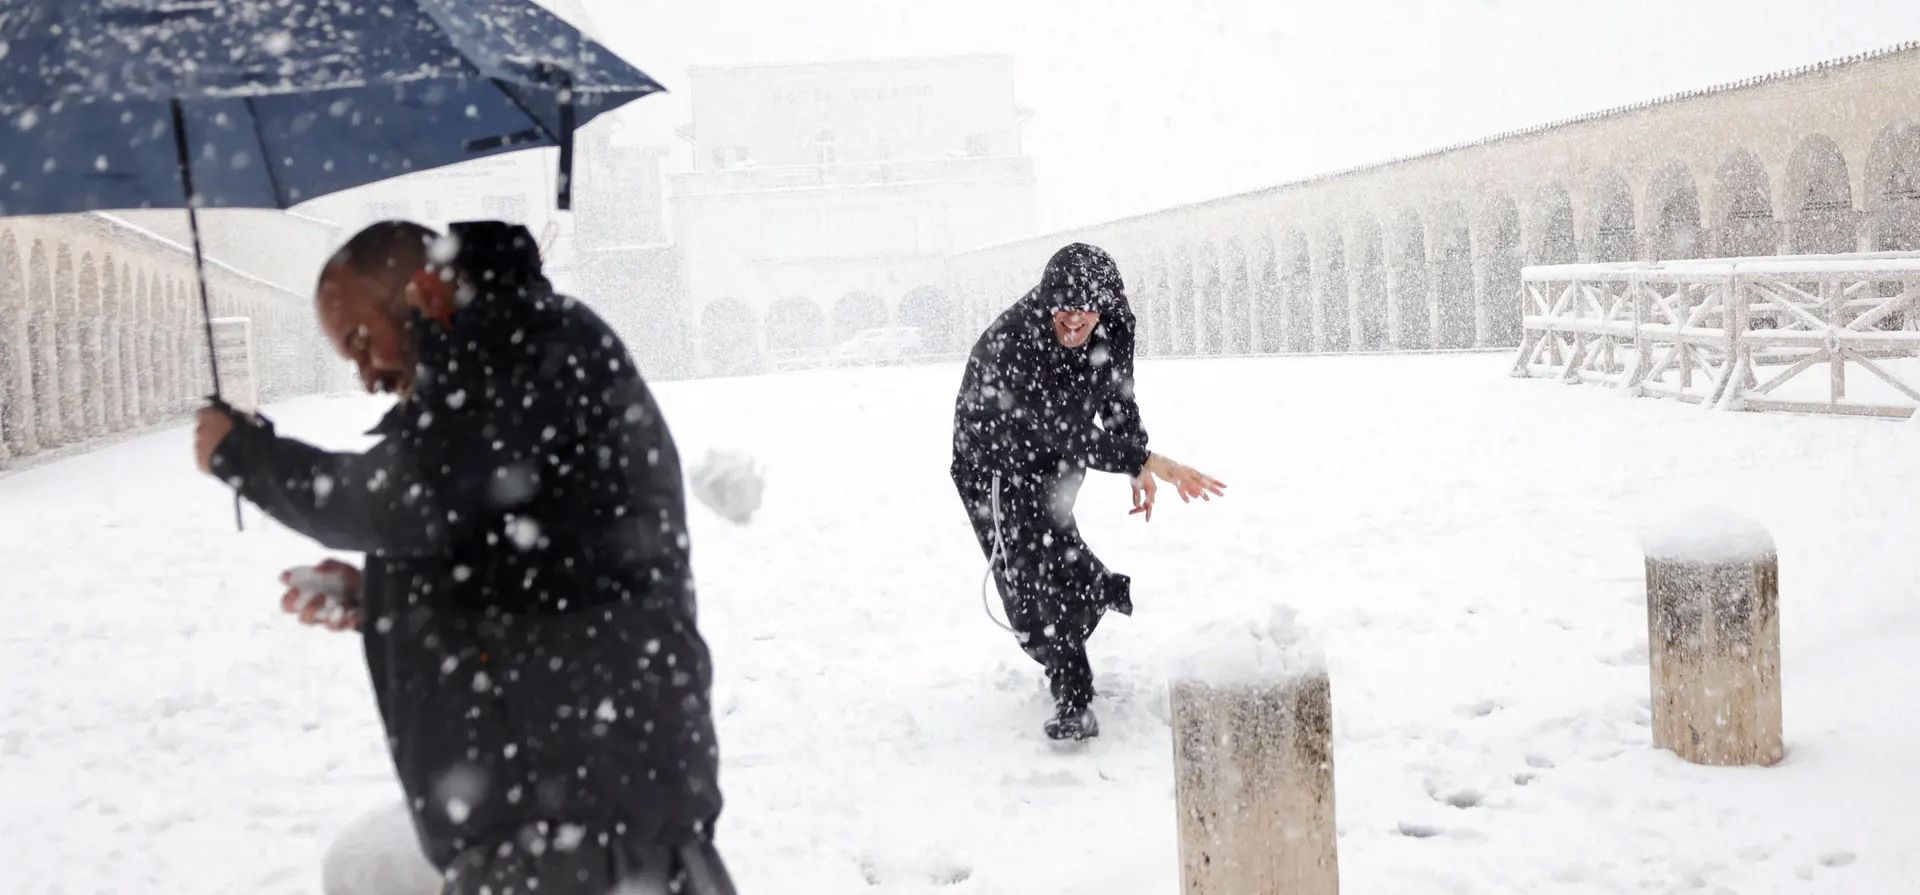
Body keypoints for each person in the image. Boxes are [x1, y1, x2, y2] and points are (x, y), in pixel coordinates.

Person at [193, 220, 735, 894]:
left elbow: (408, 500)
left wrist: (241, 454)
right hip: (566, 813)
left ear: (421, 290)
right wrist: (380, 597)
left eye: (362, 341)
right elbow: (515, 557)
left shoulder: (521, 343)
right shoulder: (492, 369)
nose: (367, 376)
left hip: (583, 820)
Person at [950, 242, 1226, 742]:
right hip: (992, 459)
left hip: (1060, 453)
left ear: (1104, 306)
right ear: (1047, 302)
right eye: (1063, 310)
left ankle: (1073, 696)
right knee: (1027, 591)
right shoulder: (1013, 340)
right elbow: (1061, 429)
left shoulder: (1114, 324)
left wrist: (1135, 461)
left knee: (1044, 560)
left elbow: (1117, 397)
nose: (1074, 321)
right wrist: (1146, 461)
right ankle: (1094, 589)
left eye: (1086, 310)